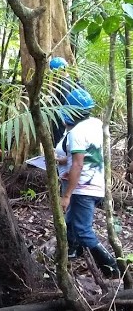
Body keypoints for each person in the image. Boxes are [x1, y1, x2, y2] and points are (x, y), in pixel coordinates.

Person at [58, 88, 119, 277]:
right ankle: (73, 250)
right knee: (71, 221)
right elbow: (91, 155)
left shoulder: (76, 132)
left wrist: (67, 194)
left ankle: (111, 267)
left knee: (83, 230)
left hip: (82, 187)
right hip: (95, 182)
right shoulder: (96, 124)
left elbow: (78, 163)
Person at [49, 56, 81, 146]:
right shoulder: (70, 80)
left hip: (63, 117)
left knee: (60, 140)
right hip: (69, 117)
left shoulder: (64, 83)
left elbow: (64, 102)